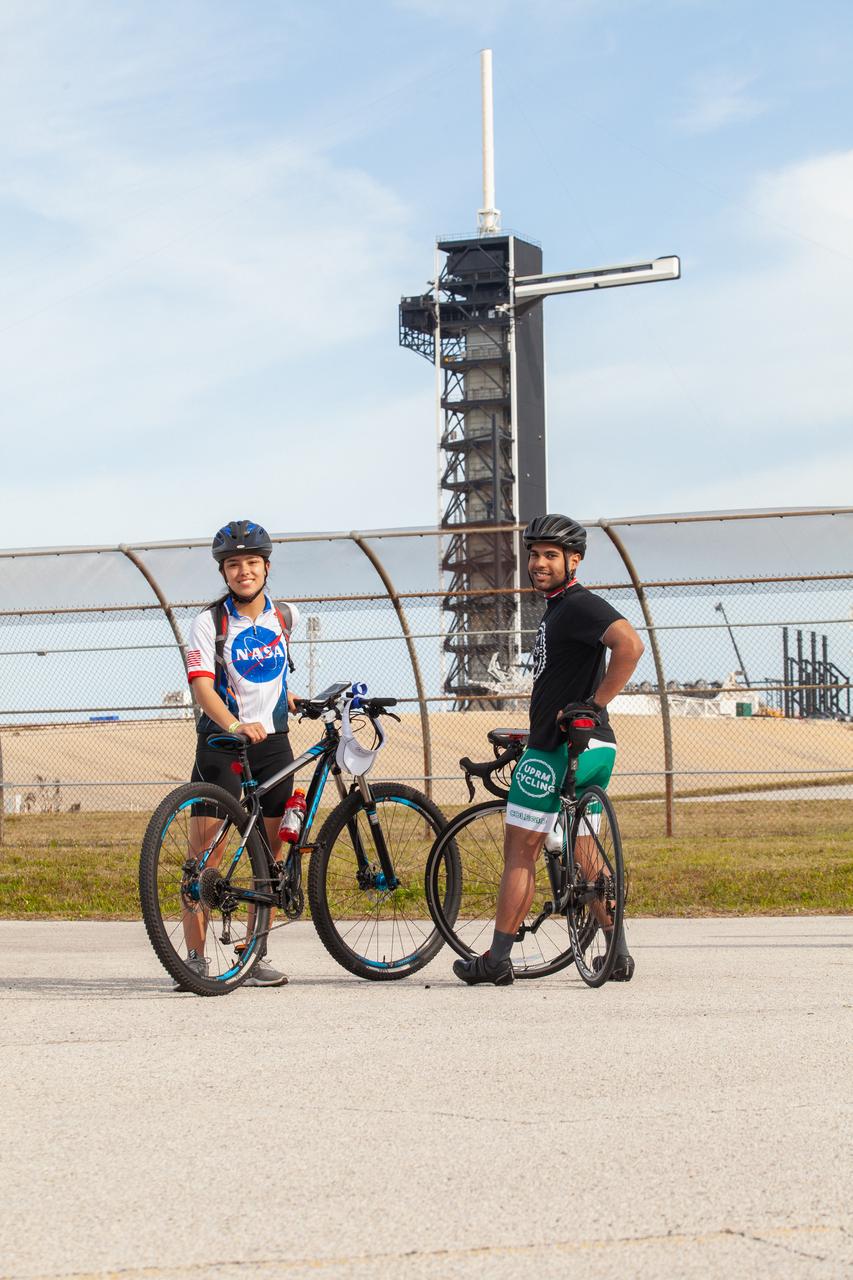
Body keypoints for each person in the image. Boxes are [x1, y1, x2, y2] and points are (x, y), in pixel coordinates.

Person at [453, 513, 644, 986]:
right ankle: (616, 951)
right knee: (586, 854)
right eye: (534, 554)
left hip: (556, 749)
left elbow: (630, 646)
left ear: (573, 561)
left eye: (551, 556)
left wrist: (593, 703)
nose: (539, 563)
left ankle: (496, 961)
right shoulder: (558, 610)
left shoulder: (578, 605)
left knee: (521, 851)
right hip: (597, 748)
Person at [182, 520, 300, 987]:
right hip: (223, 744)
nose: (244, 571)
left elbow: (271, 675)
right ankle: (193, 959)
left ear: (266, 566)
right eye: (234, 564)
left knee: (269, 859)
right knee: (204, 858)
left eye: (252, 562)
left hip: (274, 745)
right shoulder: (208, 623)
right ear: (224, 572)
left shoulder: (284, 616)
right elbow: (202, 689)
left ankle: (253, 953)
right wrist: (234, 723)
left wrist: (288, 697)